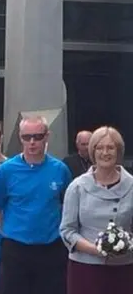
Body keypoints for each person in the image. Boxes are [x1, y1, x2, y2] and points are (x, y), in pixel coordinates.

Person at [0, 115, 72, 294]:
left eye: (38, 137)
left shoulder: (60, 170)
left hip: (51, 248)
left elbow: (68, 206)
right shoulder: (7, 170)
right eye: (27, 137)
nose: (32, 142)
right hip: (15, 248)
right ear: (20, 137)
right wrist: (5, 232)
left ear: (47, 136)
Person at [60, 126, 133, 294]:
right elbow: (67, 230)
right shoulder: (77, 187)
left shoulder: (132, 186)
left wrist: (125, 246)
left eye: (110, 147)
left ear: (119, 151)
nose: (105, 153)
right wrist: (95, 249)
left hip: (124, 267)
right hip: (85, 268)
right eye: (99, 148)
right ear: (92, 152)